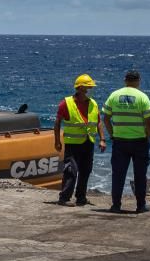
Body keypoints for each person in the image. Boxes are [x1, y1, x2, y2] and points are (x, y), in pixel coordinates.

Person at [103, 70, 150, 213]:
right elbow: (149, 122)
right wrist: (147, 138)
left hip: (120, 142)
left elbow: (105, 119)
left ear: (125, 80)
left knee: (118, 174)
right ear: (138, 81)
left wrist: (112, 134)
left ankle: (116, 205)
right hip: (139, 142)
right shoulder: (143, 97)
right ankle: (140, 205)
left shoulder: (114, 95)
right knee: (140, 175)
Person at [54, 73, 107, 206]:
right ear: (80, 88)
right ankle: (64, 198)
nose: (88, 90)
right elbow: (57, 122)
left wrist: (102, 139)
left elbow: (99, 122)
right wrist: (57, 141)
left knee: (86, 171)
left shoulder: (93, 103)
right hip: (73, 143)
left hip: (88, 142)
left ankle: (81, 197)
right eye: (87, 87)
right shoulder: (66, 103)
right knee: (71, 170)